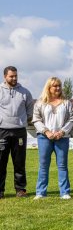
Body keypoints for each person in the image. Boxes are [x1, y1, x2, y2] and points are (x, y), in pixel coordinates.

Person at [32, 77, 73, 200]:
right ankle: (40, 192)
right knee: (43, 165)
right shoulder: (40, 102)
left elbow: (72, 119)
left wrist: (62, 132)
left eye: (59, 85)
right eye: (54, 86)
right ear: (48, 87)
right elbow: (36, 119)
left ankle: (65, 192)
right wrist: (46, 131)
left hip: (62, 138)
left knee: (62, 165)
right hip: (44, 138)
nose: (57, 88)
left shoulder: (66, 103)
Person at [0, 66, 34, 199]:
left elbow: (30, 109)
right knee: (1, 162)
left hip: (19, 131)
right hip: (2, 130)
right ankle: (0, 191)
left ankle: (20, 190)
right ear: (5, 77)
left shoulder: (25, 92)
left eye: (15, 76)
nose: (14, 78)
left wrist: (23, 120)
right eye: (11, 76)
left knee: (19, 161)